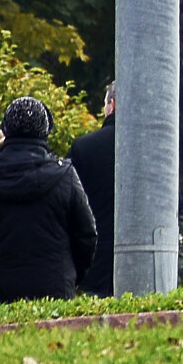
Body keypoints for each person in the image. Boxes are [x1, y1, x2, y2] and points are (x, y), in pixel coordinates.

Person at [0, 96, 97, 302]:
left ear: (6, 130)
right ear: (46, 131)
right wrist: (73, 275)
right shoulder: (65, 176)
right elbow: (87, 235)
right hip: (55, 289)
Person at [69, 81, 117, 297]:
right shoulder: (157, 150)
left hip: (95, 261)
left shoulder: (84, 147)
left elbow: (70, 206)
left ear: (112, 105)